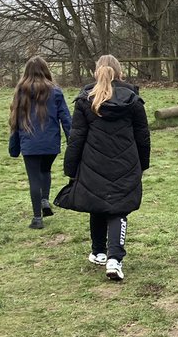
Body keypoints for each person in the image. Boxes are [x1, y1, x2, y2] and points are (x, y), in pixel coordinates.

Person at [59, 54, 151, 281]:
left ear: (96, 72)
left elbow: (76, 137)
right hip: (126, 163)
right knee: (119, 208)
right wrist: (142, 164)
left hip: (92, 162)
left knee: (97, 202)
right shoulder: (133, 101)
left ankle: (99, 251)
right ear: (120, 73)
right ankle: (114, 258)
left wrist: (71, 167)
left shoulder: (85, 100)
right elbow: (143, 136)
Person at [8, 56, 72, 228]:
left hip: (29, 143)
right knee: (45, 170)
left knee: (34, 178)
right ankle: (44, 200)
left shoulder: (20, 91)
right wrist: (72, 141)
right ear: (46, 71)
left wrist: (14, 145)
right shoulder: (55, 92)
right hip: (50, 143)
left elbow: (14, 120)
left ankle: (37, 218)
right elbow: (66, 119)